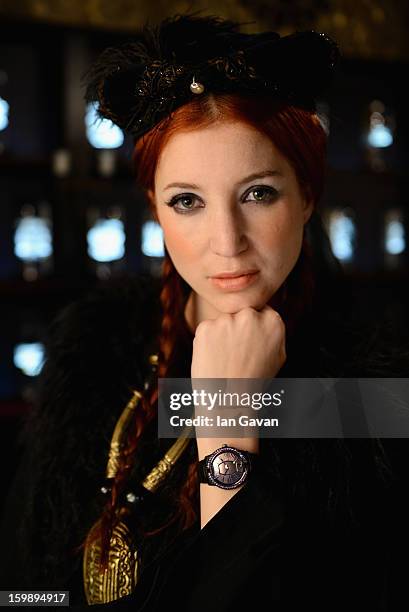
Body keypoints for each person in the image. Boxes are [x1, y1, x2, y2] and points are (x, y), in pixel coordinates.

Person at [1, 11, 408, 611]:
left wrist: (228, 426)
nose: (227, 240)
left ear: (306, 198)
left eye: (258, 194)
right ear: (155, 210)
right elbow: (22, 586)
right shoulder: (93, 351)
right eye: (187, 201)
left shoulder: (371, 398)